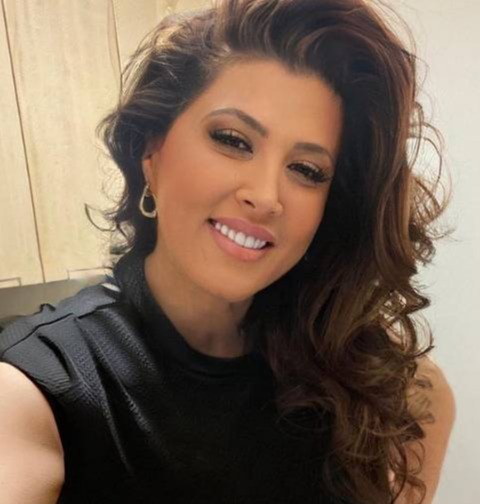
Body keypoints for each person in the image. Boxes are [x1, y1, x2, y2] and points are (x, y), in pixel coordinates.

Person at [0, 0, 456, 503]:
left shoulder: (388, 394)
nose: (265, 196)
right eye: (233, 140)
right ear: (152, 151)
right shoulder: (37, 391)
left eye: (306, 170)